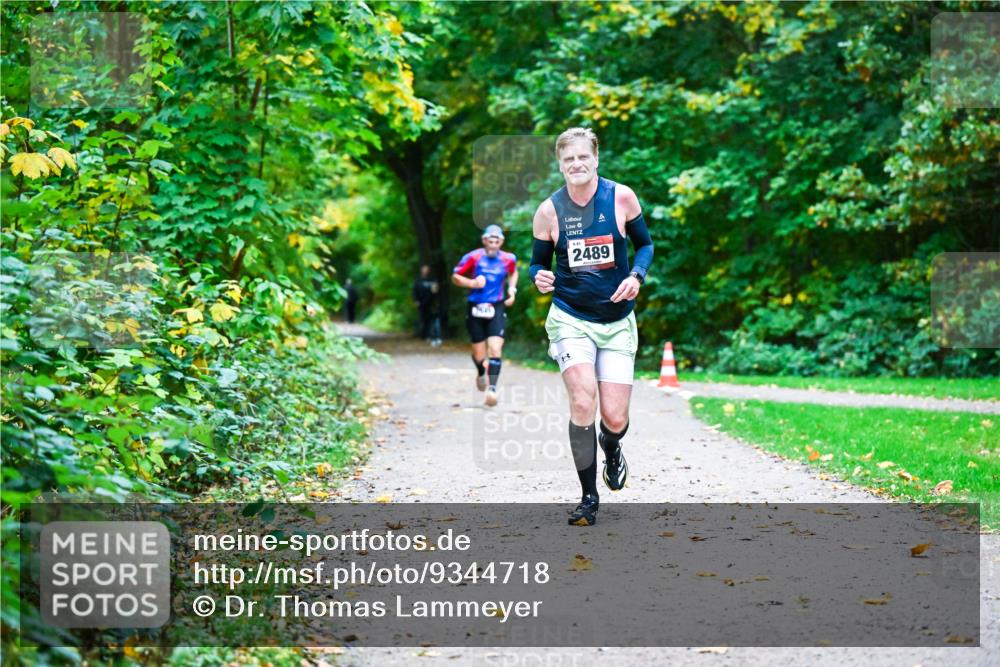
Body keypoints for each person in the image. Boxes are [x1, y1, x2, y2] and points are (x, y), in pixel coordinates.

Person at [528, 127, 654, 526]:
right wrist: (538, 276)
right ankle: (588, 497)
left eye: (583, 157)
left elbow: (646, 245)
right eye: (569, 159)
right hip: (570, 318)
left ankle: (611, 445)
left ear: (596, 159)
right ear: (560, 165)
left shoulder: (621, 197)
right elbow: (537, 262)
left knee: (614, 418)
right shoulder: (549, 211)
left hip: (617, 321)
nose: (577, 164)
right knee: (583, 402)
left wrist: (636, 275)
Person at [452, 224, 518, 407]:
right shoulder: (473, 257)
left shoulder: (508, 259)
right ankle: (481, 371)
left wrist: (512, 291)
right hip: (475, 307)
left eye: (497, 241)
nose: (493, 244)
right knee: (479, 354)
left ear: (501, 242)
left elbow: (514, 273)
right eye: (490, 240)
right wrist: (472, 283)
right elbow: (455, 277)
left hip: (496, 306)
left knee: (495, 349)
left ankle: (492, 390)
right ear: (484, 240)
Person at [412, 265, 439, 343]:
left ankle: (431, 336)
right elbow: (414, 292)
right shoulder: (418, 281)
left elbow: (436, 291)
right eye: (424, 270)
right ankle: (424, 335)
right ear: (421, 271)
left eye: (427, 270)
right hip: (421, 304)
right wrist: (416, 301)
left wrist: (435, 289)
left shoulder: (432, 280)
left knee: (432, 320)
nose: (425, 271)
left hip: (431, 304)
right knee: (423, 320)